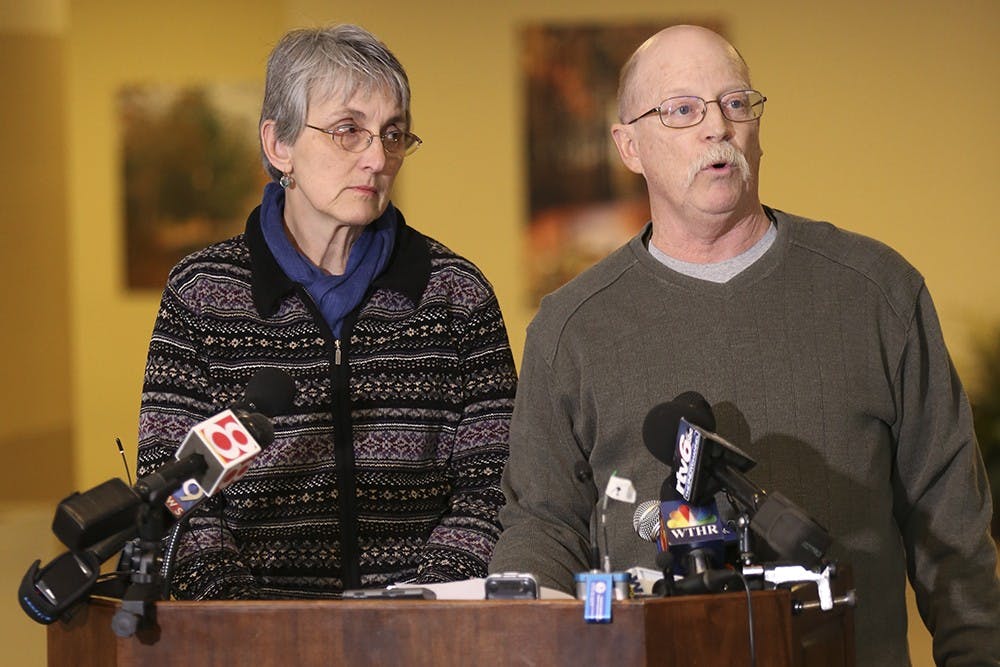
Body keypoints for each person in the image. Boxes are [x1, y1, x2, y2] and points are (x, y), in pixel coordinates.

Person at [489, 24, 999, 666]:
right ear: (629, 147)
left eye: (735, 103)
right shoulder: (571, 328)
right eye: (682, 110)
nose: (717, 128)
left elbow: (952, 532)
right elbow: (543, 527)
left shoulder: (877, 293)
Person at [136, 24, 517, 599]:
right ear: (279, 145)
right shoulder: (202, 294)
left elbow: (493, 488)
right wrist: (248, 621)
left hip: (426, 628)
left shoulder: (456, 296)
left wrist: (419, 611)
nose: (377, 158)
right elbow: (176, 490)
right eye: (348, 131)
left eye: (393, 134)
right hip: (250, 631)